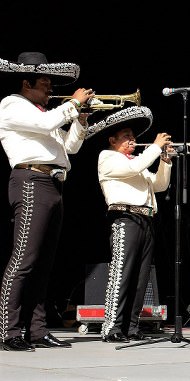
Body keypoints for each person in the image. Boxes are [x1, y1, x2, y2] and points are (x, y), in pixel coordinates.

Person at [0, 52, 95, 351]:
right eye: (44, 83)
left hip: (53, 184)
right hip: (30, 180)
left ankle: (37, 330)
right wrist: (73, 104)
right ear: (26, 83)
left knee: (43, 265)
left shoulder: (45, 113)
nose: (51, 89)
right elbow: (47, 125)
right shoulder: (12, 104)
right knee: (24, 261)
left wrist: (80, 119)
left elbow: (71, 147)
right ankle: (9, 330)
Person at [85, 106, 173, 343]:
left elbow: (160, 185)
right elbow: (133, 168)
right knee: (122, 274)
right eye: (126, 137)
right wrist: (155, 146)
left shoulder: (138, 161)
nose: (132, 140)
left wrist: (165, 160)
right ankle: (111, 326)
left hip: (146, 219)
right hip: (125, 218)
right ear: (112, 140)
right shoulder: (108, 157)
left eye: (134, 137)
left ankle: (131, 326)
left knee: (140, 278)